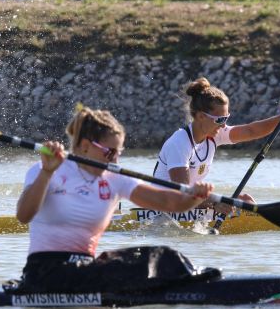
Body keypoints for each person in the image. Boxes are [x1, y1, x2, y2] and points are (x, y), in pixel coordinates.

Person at [14, 106, 214, 293]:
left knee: (162, 257)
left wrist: (194, 197)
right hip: (44, 273)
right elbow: (24, 215)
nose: (115, 160)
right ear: (85, 146)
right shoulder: (45, 169)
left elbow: (170, 203)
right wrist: (47, 173)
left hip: (85, 268)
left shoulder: (115, 178)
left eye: (118, 153)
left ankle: (191, 288)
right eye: (110, 152)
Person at [153, 77, 280, 215]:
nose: (224, 125)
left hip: (191, 203)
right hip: (165, 208)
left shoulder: (214, 134)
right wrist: (216, 204)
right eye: (220, 119)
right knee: (235, 203)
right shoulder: (180, 142)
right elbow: (182, 194)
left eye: (226, 118)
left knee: (245, 200)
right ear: (200, 116)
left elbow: (251, 130)